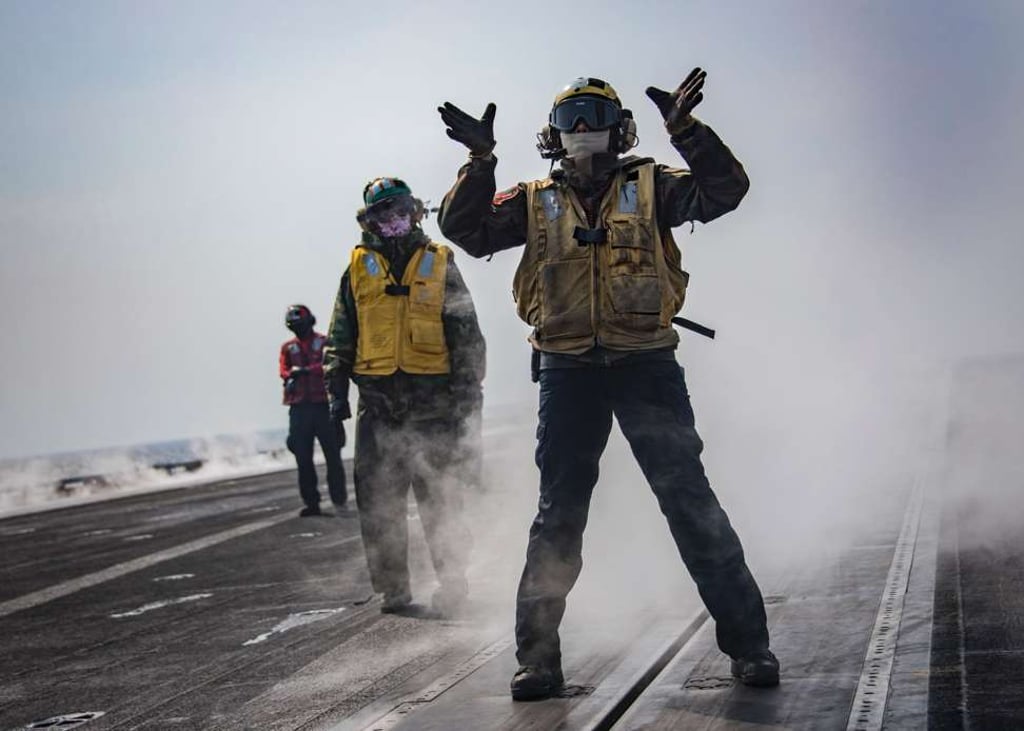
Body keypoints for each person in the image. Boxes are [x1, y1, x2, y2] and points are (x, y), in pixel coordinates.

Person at [437, 70, 778, 700]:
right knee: (558, 518)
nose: (584, 128)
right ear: (554, 134)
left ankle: (751, 648)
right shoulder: (533, 200)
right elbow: (465, 230)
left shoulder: (655, 186)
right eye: (573, 118)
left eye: (596, 115)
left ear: (620, 127)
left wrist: (686, 130)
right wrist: (479, 160)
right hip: (568, 369)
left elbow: (726, 191)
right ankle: (538, 662)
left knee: (690, 505)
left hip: (645, 362)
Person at [322, 177, 486, 615]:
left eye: (398, 209)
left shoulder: (440, 263)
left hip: (433, 400)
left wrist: (469, 396)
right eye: (382, 212)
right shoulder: (357, 269)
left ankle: (453, 582)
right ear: (369, 220)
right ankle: (394, 589)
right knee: (378, 500)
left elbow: (466, 334)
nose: (391, 219)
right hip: (377, 403)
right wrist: (335, 388)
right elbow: (342, 331)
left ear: (414, 211)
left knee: (441, 497)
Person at [279, 304, 348, 517]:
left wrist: (305, 371)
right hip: (299, 408)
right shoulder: (288, 348)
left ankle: (339, 500)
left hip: (323, 406)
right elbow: (283, 370)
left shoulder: (324, 342)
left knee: (333, 456)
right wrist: (292, 373)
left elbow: (331, 364)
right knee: (302, 458)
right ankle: (312, 503)